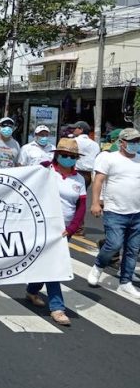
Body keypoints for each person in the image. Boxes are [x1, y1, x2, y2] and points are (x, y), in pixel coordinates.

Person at [25, 138, 86, 326]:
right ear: (57, 155)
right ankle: (57, 308)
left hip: (64, 231)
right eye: (65, 155)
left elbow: (81, 206)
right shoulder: (45, 170)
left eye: (72, 156)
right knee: (54, 266)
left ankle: (32, 290)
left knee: (48, 263)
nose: (69, 159)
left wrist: (72, 228)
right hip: (43, 226)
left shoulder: (79, 179)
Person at [87, 128, 140, 298]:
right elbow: (98, 181)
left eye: (137, 141)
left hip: (137, 213)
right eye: (132, 141)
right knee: (114, 244)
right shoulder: (110, 158)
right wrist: (95, 202)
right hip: (115, 211)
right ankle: (98, 266)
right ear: (122, 142)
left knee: (132, 249)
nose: (135, 144)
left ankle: (125, 282)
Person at [72, 121, 100, 187]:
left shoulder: (73, 141)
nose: (73, 130)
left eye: (75, 128)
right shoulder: (95, 144)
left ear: (81, 130)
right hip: (88, 176)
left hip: (76, 173)